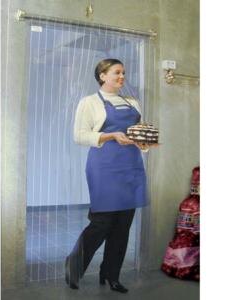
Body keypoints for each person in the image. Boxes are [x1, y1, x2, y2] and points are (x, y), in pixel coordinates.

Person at [65, 58, 154, 293]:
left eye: (124, 73)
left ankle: (111, 274)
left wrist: (144, 141)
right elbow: (80, 136)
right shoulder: (90, 102)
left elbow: (137, 132)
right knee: (101, 223)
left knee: (123, 226)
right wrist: (110, 135)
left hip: (131, 167)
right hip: (104, 169)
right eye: (116, 72)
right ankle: (74, 267)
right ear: (103, 76)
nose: (122, 77)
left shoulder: (133, 102)